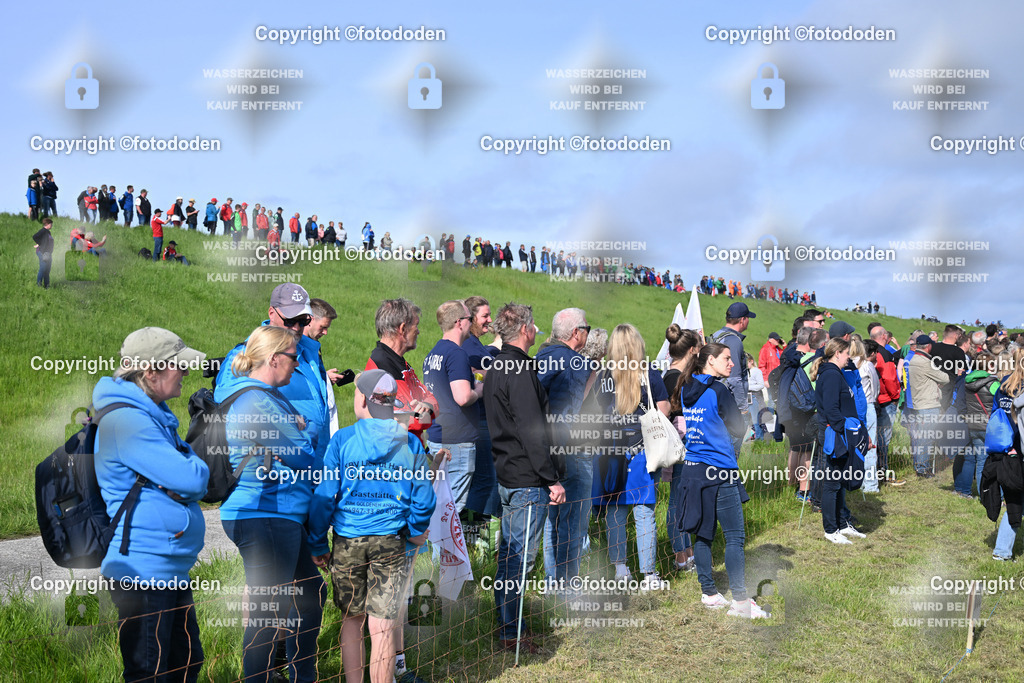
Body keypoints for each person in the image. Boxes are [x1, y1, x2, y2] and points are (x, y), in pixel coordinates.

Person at [94, 327, 209, 681]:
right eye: (179, 366)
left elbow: (187, 474)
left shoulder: (152, 415)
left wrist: (180, 479)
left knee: (186, 663)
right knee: (151, 672)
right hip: (143, 570)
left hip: (165, 564)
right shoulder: (128, 420)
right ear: (151, 373)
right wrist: (182, 480)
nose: (186, 373)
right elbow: (196, 478)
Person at [309, 370, 436, 683]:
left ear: (363, 399)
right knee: (382, 625)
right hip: (392, 542)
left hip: (348, 540)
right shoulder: (410, 443)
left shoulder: (342, 440)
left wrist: (316, 543)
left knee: (352, 621)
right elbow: (424, 496)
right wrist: (415, 529)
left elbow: (325, 497)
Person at [218, 325, 324, 683]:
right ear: (275, 358)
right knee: (271, 612)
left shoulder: (268, 396)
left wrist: (297, 427)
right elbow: (305, 457)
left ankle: (302, 675)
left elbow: (297, 446)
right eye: (294, 358)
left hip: (279, 514)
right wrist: (299, 429)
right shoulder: (257, 400)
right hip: (264, 515)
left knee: (311, 591)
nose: (298, 365)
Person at [484, 303, 566, 652]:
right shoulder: (517, 369)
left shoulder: (497, 366)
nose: (538, 332)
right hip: (525, 479)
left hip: (508, 473)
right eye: (535, 326)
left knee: (508, 556)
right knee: (519, 559)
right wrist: (552, 479)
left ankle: (505, 625)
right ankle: (510, 634)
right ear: (525, 330)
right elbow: (532, 432)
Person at [680, 341, 766, 617]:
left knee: (703, 533)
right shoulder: (718, 390)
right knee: (734, 537)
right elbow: (740, 428)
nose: (732, 363)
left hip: (693, 470)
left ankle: (709, 593)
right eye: (726, 359)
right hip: (719, 469)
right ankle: (741, 603)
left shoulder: (686, 388)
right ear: (710, 362)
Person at [591, 324, 670, 591]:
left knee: (615, 512)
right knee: (644, 514)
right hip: (643, 452)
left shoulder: (604, 376)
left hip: (612, 453)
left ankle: (621, 571)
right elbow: (663, 413)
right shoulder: (650, 374)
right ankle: (649, 574)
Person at [217, 283, 332, 460]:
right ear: (271, 312)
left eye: (303, 321)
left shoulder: (309, 352)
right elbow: (225, 409)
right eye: (290, 320)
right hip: (274, 475)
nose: (296, 327)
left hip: (312, 469)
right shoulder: (246, 354)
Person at [536, 308, 592, 585]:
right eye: (587, 328)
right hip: (566, 450)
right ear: (575, 333)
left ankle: (551, 580)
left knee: (552, 519)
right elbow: (573, 411)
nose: (587, 333)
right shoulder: (575, 362)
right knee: (572, 520)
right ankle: (567, 586)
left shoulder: (540, 356)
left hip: (539, 449)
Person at [422, 300, 483, 512]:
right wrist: (481, 388)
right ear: (459, 322)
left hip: (438, 436)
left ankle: (437, 546)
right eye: (469, 319)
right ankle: (446, 547)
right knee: (451, 511)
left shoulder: (432, 354)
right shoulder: (456, 353)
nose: (472, 323)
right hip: (457, 442)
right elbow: (463, 397)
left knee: (440, 507)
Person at [811, 338, 868, 544]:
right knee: (832, 483)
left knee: (841, 482)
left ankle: (843, 524)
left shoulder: (836, 373)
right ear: (837, 353)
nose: (849, 358)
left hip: (841, 433)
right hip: (837, 435)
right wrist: (846, 432)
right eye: (846, 354)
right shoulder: (832, 375)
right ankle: (830, 529)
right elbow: (832, 409)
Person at [364, 298, 439, 444]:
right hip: (397, 456)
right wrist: (427, 410)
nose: (418, 331)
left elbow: (431, 399)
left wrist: (428, 407)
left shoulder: (400, 362)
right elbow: (408, 420)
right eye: (416, 325)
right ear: (403, 328)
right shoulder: (382, 366)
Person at [461, 297, 499, 538]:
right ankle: (473, 538)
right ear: (471, 318)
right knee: (485, 482)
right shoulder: (469, 349)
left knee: (484, 482)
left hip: (483, 422)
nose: (489, 320)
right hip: (479, 422)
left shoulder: (476, 346)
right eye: (485, 316)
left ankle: (476, 538)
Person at [664, 324, 700, 573]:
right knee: (678, 500)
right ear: (690, 351)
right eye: (698, 348)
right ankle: (680, 554)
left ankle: (687, 549)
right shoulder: (673, 378)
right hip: (679, 443)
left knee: (684, 498)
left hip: (685, 442)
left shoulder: (674, 376)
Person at [711, 302, 756, 456]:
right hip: (731, 407)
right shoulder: (734, 341)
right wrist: (743, 410)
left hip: (716, 400)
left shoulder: (716, 335)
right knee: (731, 453)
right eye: (748, 318)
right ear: (742, 320)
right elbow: (735, 379)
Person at [992, 348, 1024, 561]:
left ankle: (1002, 550)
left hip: (1008, 450)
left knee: (1015, 503)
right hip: (1018, 450)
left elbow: (996, 416)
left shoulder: (1003, 386)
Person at [905, 334, 950, 476]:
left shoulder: (913, 359)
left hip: (918, 402)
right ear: (928, 346)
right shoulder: (925, 362)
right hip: (928, 405)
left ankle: (919, 465)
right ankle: (923, 468)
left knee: (920, 437)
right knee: (927, 437)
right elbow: (945, 378)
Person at [960, 352, 1000, 498]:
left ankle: (982, 494)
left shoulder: (967, 381)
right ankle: (999, 496)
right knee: (997, 461)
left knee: (980, 461)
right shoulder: (993, 383)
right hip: (989, 426)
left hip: (974, 425)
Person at [855, 339, 881, 493]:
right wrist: (872, 399)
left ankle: (857, 481)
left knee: (857, 445)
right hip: (868, 404)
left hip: (854, 406)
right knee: (870, 446)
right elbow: (875, 387)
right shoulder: (867, 365)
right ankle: (870, 485)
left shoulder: (850, 362)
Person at [33, 218, 54, 288]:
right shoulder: (43, 231)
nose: (52, 225)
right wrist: (40, 243)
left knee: (47, 270)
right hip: (42, 252)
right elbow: (35, 237)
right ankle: (38, 285)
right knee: (43, 268)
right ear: (47, 224)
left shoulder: (48, 232)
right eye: (51, 224)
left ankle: (47, 286)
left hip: (48, 253)